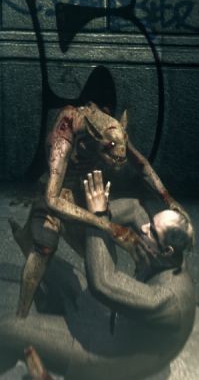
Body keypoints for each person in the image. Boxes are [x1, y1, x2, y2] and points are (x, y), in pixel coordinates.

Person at [0, 171, 196, 380]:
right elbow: (135, 209)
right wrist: (85, 210)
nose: (144, 227)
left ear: (167, 251)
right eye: (151, 222)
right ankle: (49, 322)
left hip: (110, 356)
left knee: (10, 327)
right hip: (117, 323)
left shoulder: (170, 299)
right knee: (53, 268)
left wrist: (98, 216)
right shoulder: (165, 253)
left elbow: (104, 282)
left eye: (152, 231)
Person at [17, 102, 188, 318]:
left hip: (84, 195)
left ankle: (98, 308)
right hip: (55, 195)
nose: (115, 162)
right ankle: (21, 316)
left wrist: (167, 198)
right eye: (111, 155)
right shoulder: (67, 128)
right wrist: (107, 225)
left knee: (102, 257)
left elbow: (141, 164)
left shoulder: (111, 128)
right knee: (44, 248)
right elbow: (52, 198)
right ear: (96, 137)